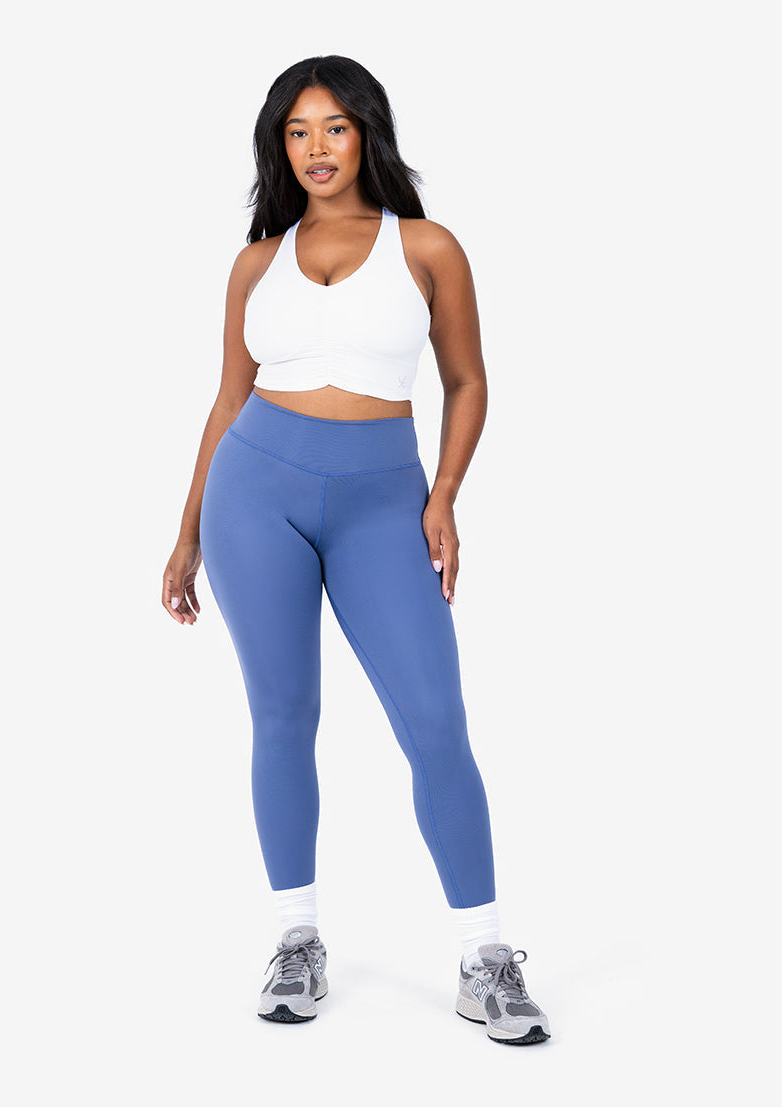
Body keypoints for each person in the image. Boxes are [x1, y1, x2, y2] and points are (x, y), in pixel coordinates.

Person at [161, 54, 550, 1046]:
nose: (316, 147)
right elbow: (228, 398)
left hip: (384, 501)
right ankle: (296, 940)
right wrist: (187, 530)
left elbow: (466, 380)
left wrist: (445, 494)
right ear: (278, 147)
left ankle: (485, 957)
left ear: (366, 132)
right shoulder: (256, 262)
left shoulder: (425, 246)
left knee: (435, 722)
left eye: (333, 127)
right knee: (283, 716)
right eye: (296, 131)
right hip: (255, 495)